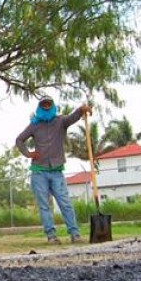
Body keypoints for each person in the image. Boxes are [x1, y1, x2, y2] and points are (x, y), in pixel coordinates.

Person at [15, 97, 91, 244]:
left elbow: (73, 117)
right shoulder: (34, 124)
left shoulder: (60, 121)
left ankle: (75, 234)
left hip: (57, 171)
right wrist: (28, 153)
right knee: (44, 205)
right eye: (44, 104)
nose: (46, 106)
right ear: (40, 107)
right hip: (39, 171)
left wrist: (82, 110)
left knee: (65, 203)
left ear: (52, 106)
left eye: (49, 104)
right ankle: (51, 236)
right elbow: (19, 140)